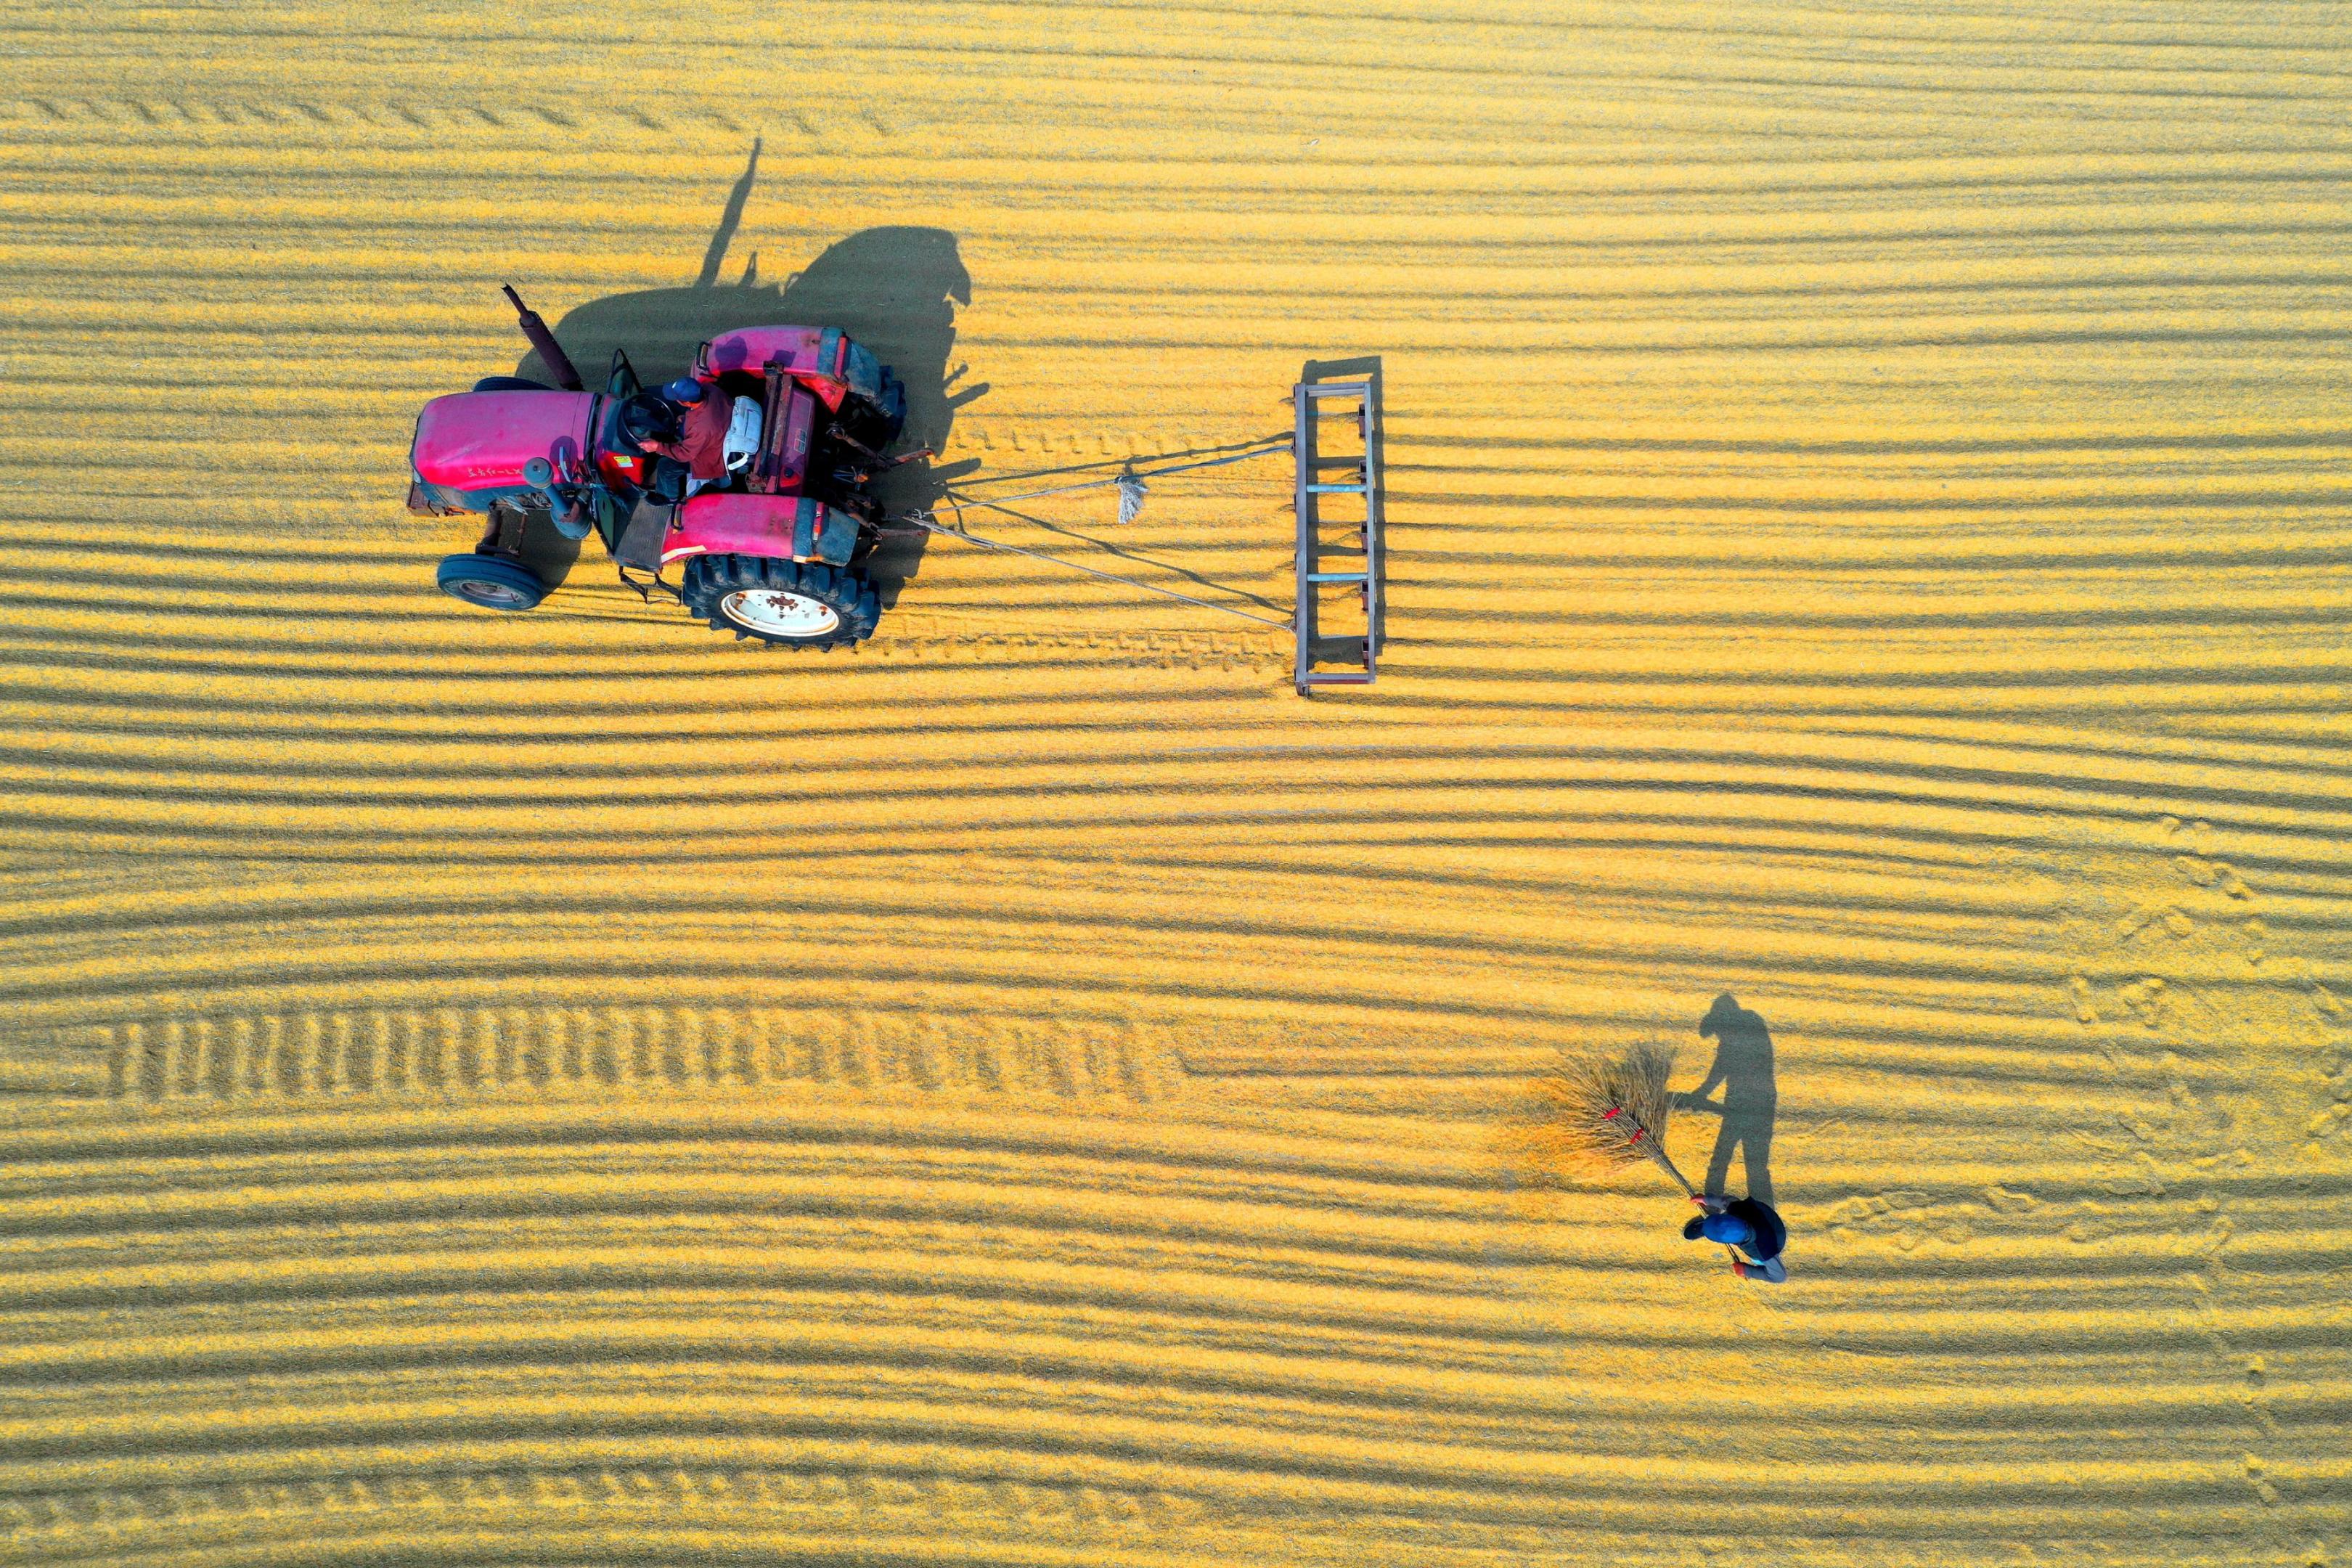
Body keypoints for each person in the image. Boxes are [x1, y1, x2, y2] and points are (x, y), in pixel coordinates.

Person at [629, 377, 735, 500]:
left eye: (676, 398)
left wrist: (658, 447)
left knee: (666, 466)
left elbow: (685, 454)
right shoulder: (711, 389)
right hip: (718, 430)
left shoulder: (702, 429)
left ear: (687, 403)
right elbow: (700, 417)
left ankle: (669, 498)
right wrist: (686, 419)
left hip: (710, 458)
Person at [1684, 1193, 1788, 1283]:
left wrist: (1747, 1271)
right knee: (1733, 1206)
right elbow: (1728, 1201)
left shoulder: (1765, 1250)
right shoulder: (1739, 1208)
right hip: (1764, 1216)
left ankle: (1710, 1228)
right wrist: (1706, 1199)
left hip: (1775, 1239)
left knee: (1758, 1261)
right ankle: (1712, 1227)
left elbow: (1779, 1276)